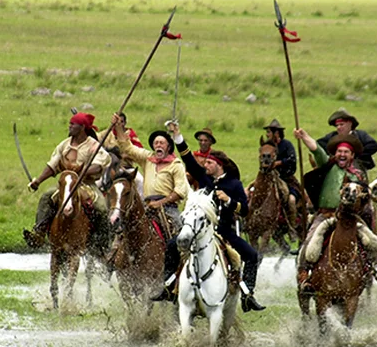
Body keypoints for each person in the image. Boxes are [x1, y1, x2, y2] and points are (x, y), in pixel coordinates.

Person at [156, 122, 265, 312]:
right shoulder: (204, 178)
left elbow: (245, 210)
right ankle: (168, 285)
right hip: (200, 230)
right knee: (173, 245)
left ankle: (248, 295)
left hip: (223, 233)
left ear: (219, 165)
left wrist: (229, 201)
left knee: (251, 255)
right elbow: (188, 159)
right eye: (205, 163)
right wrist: (177, 136)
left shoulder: (234, 185)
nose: (205, 165)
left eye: (209, 163)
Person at [294, 127, 377, 295]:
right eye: (339, 151)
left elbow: (365, 200)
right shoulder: (328, 165)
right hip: (325, 216)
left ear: (352, 156)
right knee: (309, 243)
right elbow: (316, 149)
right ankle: (304, 276)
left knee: (372, 244)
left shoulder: (358, 176)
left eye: (346, 152)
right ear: (335, 154)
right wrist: (304, 136)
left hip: (351, 219)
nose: (342, 154)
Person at [24, 112, 111, 249]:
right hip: (66, 184)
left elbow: (98, 165)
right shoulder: (64, 145)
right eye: (70, 123)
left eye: (73, 124)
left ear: (82, 127)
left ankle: (102, 243)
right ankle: (39, 233)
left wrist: (81, 172)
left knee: (101, 207)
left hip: (86, 185)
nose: (69, 126)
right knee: (46, 197)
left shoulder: (93, 146)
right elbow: (52, 166)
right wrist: (38, 181)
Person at [111, 113, 189, 236]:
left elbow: (180, 192)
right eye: (156, 143)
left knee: (178, 236)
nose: (158, 145)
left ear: (168, 147)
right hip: (147, 206)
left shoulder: (176, 165)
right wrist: (118, 127)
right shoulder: (147, 158)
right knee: (125, 232)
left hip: (168, 208)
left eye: (161, 143)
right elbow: (127, 148)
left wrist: (160, 203)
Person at [316, 108, 377, 174]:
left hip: (358, 167)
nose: (338, 127)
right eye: (337, 125)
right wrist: (333, 155)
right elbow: (319, 144)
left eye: (341, 124)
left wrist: (356, 155)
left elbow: (374, 145)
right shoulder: (332, 136)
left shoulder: (360, 134)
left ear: (349, 124)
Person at [263, 119, 300, 231]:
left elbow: (292, 159)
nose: (267, 135)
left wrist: (279, 163)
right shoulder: (267, 146)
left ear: (277, 133)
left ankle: (292, 227)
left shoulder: (287, 145)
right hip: (269, 178)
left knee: (291, 200)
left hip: (286, 179)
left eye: (269, 132)